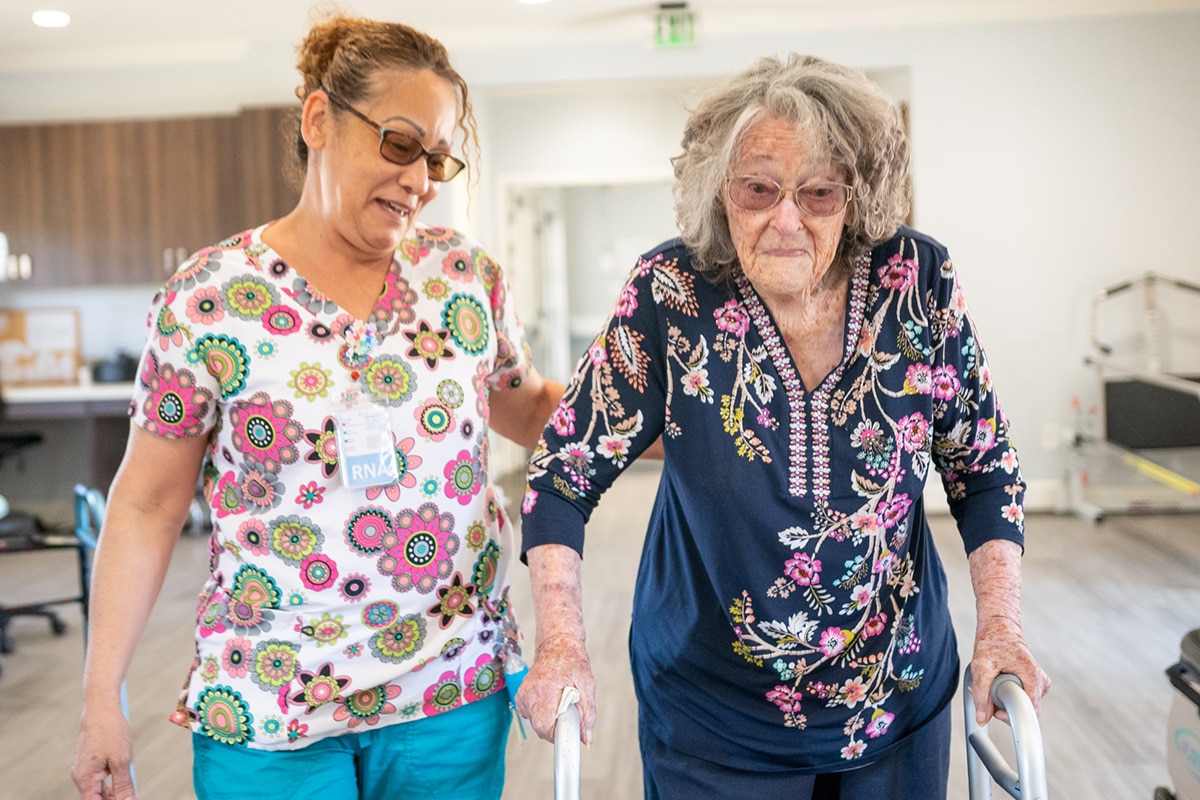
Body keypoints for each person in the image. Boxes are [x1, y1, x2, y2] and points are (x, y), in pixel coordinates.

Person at [515, 53, 1050, 798]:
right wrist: (562, 645)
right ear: (719, 192)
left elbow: (984, 466)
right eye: (758, 189)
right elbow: (560, 474)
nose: (786, 218)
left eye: (820, 192)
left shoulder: (917, 283)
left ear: (856, 197)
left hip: (895, 698)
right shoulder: (671, 292)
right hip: (712, 716)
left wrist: (1003, 627)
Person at [71, 14, 561, 800]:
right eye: (401, 144)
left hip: (449, 693)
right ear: (319, 120)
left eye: (437, 157)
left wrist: (682, 415)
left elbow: (533, 409)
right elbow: (146, 507)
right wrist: (102, 700)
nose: (422, 180)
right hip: (269, 700)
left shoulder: (465, 278)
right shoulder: (210, 299)